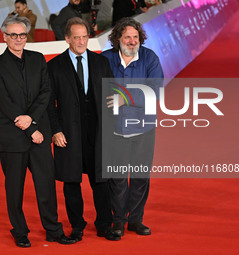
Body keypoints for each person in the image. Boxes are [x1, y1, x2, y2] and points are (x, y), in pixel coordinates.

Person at [0, 16, 76, 248]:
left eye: (22, 35)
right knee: (14, 188)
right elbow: (5, 103)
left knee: (46, 185)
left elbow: (45, 93)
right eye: (13, 35)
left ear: (27, 36)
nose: (18, 39)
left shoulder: (38, 60)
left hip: (39, 134)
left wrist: (33, 122)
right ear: (4, 37)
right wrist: (30, 129)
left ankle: (53, 229)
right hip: (12, 137)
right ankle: (19, 231)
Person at [47, 17, 121, 242]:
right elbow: (49, 103)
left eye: (84, 36)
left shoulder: (101, 63)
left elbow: (111, 96)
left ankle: (104, 225)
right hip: (68, 133)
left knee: (101, 180)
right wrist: (55, 131)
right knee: (71, 182)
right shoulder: (53, 66)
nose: (81, 41)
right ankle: (77, 226)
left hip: (98, 132)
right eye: (76, 37)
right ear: (67, 38)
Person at [101, 17, 164, 236]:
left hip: (144, 128)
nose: (132, 41)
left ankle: (136, 219)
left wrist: (124, 97)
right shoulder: (105, 59)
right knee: (117, 178)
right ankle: (118, 220)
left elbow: (155, 91)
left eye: (135, 37)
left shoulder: (149, 58)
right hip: (115, 129)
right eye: (127, 36)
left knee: (140, 177)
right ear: (117, 38)